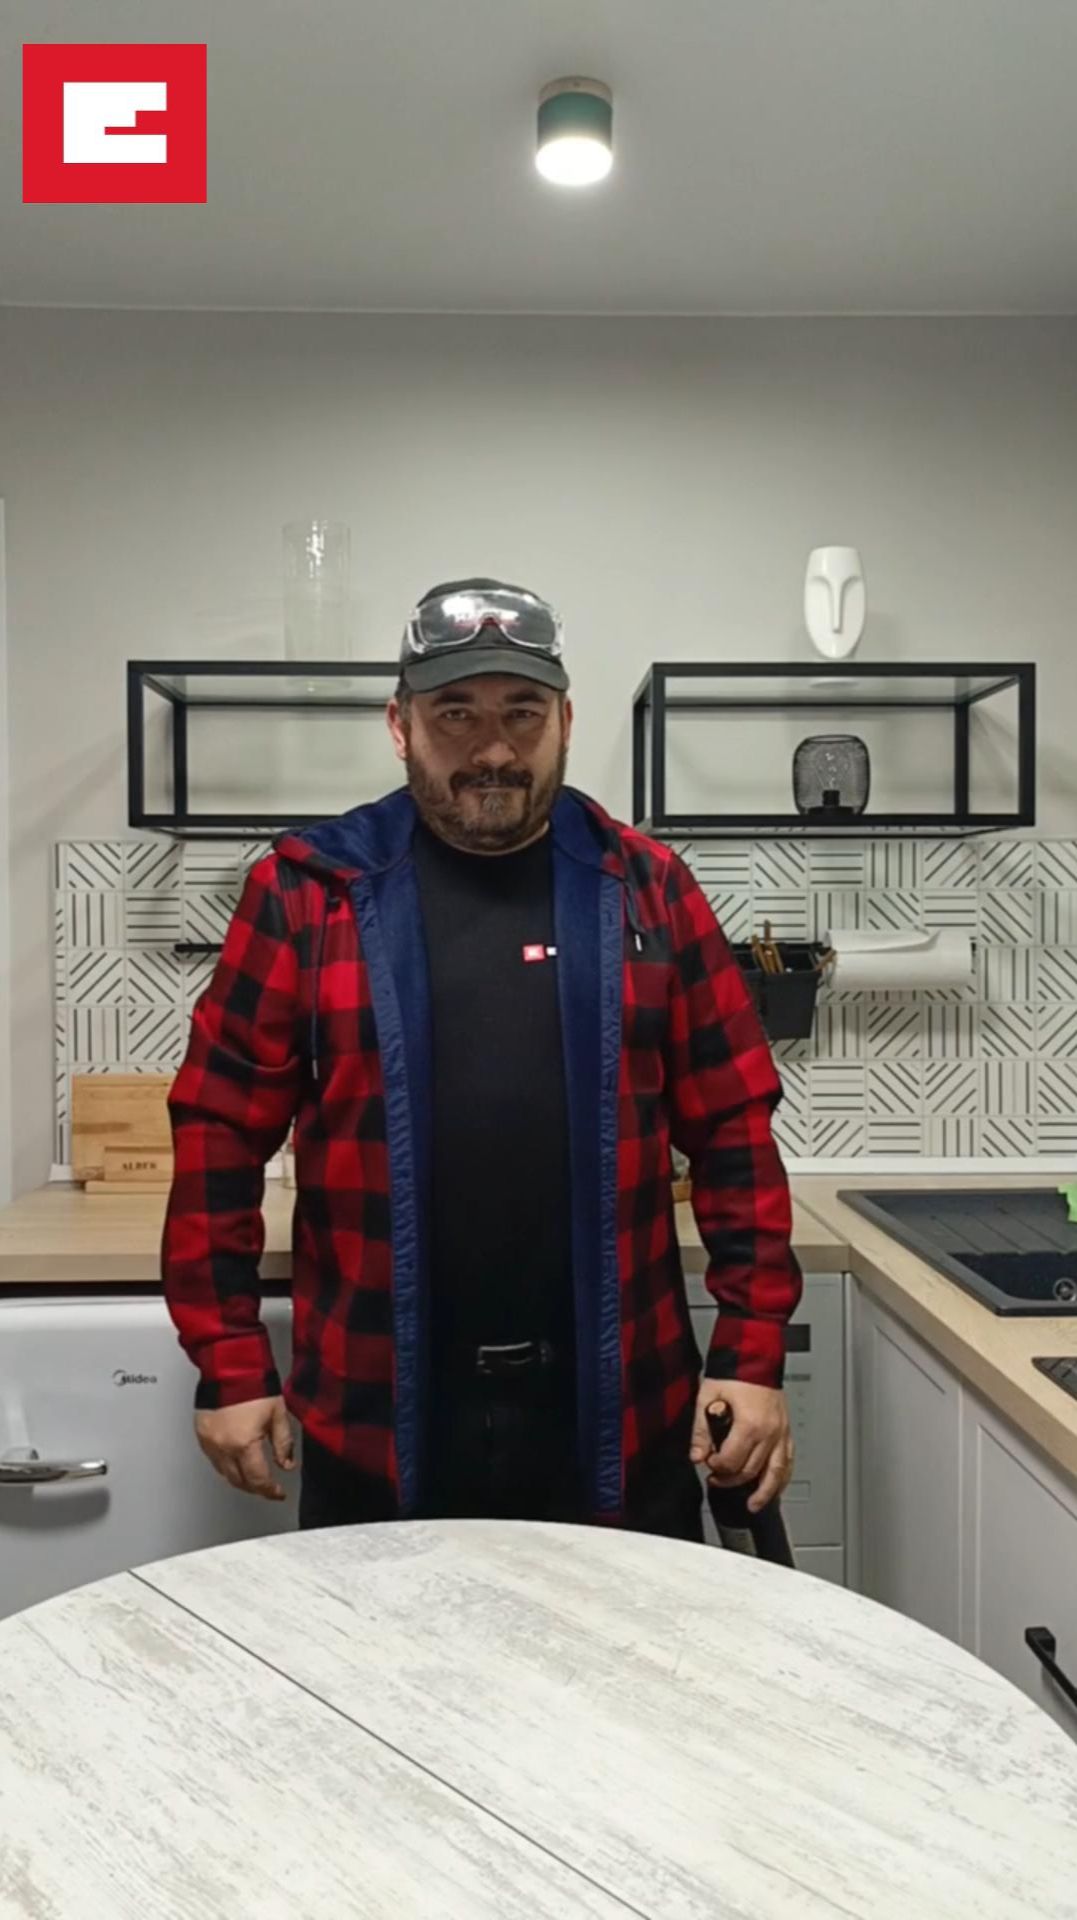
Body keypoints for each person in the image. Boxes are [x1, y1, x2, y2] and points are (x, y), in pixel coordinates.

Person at [162, 576, 802, 1540]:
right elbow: (218, 1133)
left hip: (618, 1411)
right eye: (455, 712)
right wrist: (228, 1359)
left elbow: (733, 1132)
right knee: (377, 1643)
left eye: (522, 712)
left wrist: (750, 1353)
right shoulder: (308, 892)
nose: (493, 748)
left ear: (565, 721)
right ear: (400, 725)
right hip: (377, 1412)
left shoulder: (647, 888)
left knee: (626, 1640)